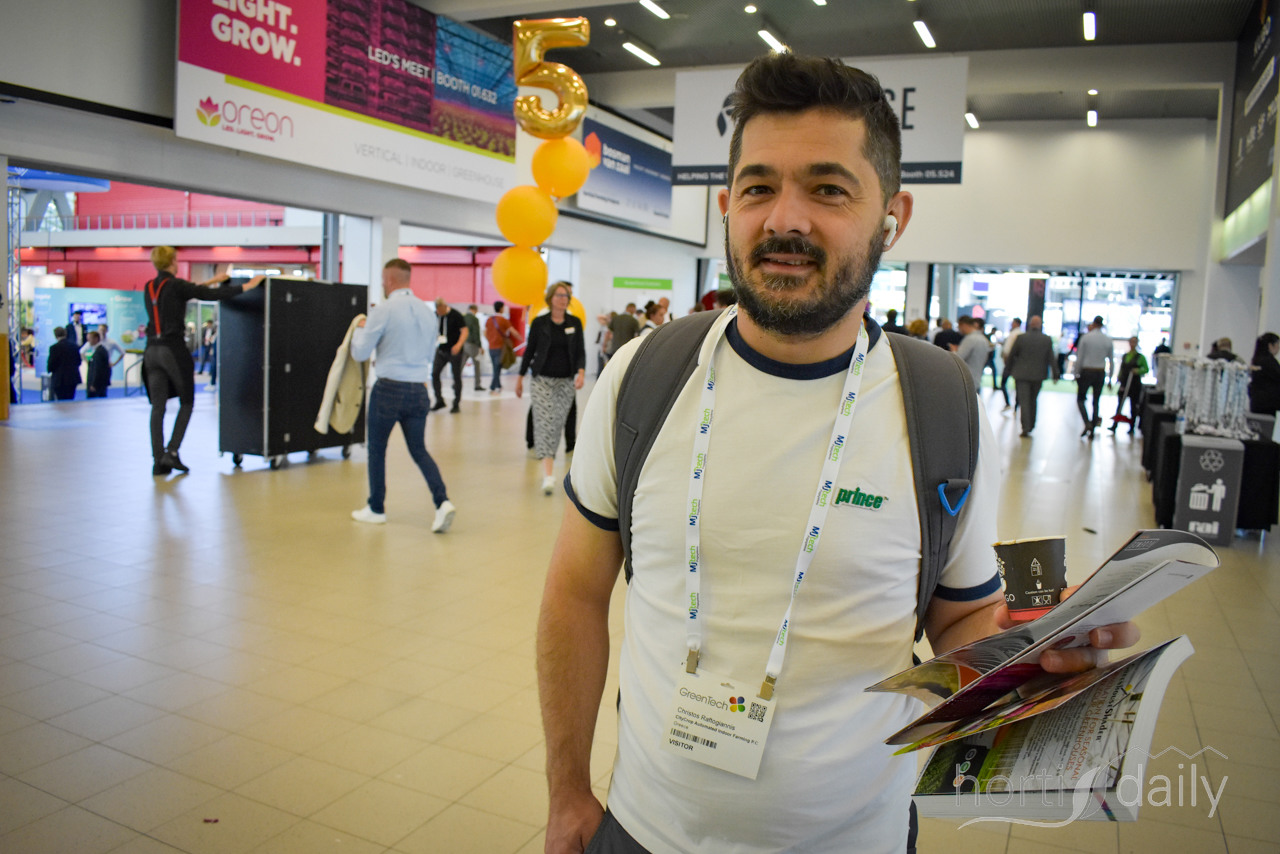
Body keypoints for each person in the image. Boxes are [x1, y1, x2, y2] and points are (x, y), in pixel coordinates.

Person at [536, 54, 1135, 854]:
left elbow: (959, 618)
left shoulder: (941, 404)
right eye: (758, 187)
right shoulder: (644, 375)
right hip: (645, 830)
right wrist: (567, 791)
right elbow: (575, 594)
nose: (785, 219)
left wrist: (1032, 650)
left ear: (893, 216)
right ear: (727, 205)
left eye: (827, 189)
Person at [349, 258, 455, 532]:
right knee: (419, 449)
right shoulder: (427, 312)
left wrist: (358, 331)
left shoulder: (383, 311)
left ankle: (376, 508)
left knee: (377, 449)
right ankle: (442, 501)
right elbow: (429, 354)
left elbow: (360, 353)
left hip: (388, 389)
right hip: (418, 389)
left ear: (389, 280)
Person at [142, 246, 263, 476]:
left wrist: (212, 281)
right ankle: (173, 451)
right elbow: (208, 295)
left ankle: (158, 460)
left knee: (158, 407)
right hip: (172, 350)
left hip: (151, 352)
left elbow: (188, 291)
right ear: (172, 261)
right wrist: (247, 286)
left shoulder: (150, 287)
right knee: (187, 402)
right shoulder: (176, 285)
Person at [516, 281, 585, 495]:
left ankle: (549, 465)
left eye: (566, 296)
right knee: (545, 422)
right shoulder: (540, 323)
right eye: (559, 295)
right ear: (551, 298)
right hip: (542, 380)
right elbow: (530, 351)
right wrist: (520, 377)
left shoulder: (574, 323)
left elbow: (580, 350)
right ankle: (548, 474)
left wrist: (581, 372)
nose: (563, 299)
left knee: (556, 423)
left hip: (565, 381)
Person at [1005, 316, 1058, 437]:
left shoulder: (1021, 338)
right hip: (1038, 375)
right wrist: (1056, 373)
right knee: (1033, 400)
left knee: (1024, 401)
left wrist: (1008, 369)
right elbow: (1051, 358)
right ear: (1040, 325)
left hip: (1021, 374)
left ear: (1030, 324)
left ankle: (1025, 426)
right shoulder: (1046, 339)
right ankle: (1031, 424)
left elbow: (1012, 355)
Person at [1074, 315, 1114, 439]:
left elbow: (1080, 357)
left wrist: (1076, 373)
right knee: (1096, 401)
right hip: (1100, 372)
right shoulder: (1107, 340)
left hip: (1087, 371)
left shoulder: (1086, 338)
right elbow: (1111, 361)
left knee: (1081, 399)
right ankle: (1092, 428)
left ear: (1094, 323)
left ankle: (1087, 423)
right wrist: (1110, 378)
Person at [431, 298, 468, 413]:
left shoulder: (456, 315)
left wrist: (459, 345)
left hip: (454, 350)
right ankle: (439, 400)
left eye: (440, 310)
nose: (439, 312)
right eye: (437, 310)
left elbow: (465, 331)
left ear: (444, 306)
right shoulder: (436, 315)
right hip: (442, 349)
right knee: (435, 373)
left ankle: (456, 403)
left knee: (456, 376)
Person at [1109, 336, 1148, 434]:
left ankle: (1132, 427)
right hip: (1124, 382)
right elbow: (1122, 369)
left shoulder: (1140, 357)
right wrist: (1118, 378)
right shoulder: (1125, 356)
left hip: (1134, 384)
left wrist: (1137, 371)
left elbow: (1146, 369)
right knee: (1120, 404)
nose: (1132, 344)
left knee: (1133, 405)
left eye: (1134, 342)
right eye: (1131, 342)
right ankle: (1115, 425)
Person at [484, 300, 520, 393]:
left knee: (496, 366)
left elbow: (485, 332)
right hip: (500, 347)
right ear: (501, 308)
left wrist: (490, 340)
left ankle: (498, 385)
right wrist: (520, 338)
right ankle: (493, 386)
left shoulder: (489, 320)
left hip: (491, 347)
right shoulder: (503, 320)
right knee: (497, 367)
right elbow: (512, 331)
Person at [955, 315, 991, 389]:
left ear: (963, 325)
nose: (959, 329)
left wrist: (953, 351)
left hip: (967, 380)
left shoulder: (970, 339)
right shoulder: (983, 339)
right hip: (977, 378)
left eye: (959, 326)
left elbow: (958, 357)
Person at [46, 326, 81, 401]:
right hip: (72, 378)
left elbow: (51, 364)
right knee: (70, 398)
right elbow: (78, 361)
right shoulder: (74, 346)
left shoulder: (54, 348)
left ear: (55, 335)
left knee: (61, 400)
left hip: (59, 379)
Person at [1250, 332, 1280, 417]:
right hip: (1270, 404)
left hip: (1257, 402)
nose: (1279, 347)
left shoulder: (1256, 360)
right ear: (1270, 345)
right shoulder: (1270, 362)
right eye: (1278, 344)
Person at [999, 317, 1023, 410]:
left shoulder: (1018, 334)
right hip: (1010, 361)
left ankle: (1014, 405)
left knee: (1014, 384)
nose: (1011, 324)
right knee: (1007, 383)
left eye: (1013, 323)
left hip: (1012, 361)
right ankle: (1011, 404)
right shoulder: (1013, 333)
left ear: (1017, 323)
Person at [463, 304, 485, 391]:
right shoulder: (474, 319)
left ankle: (455, 382)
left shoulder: (463, 317)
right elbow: (476, 333)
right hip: (472, 345)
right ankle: (477, 384)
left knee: (460, 365)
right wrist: (479, 346)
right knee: (477, 365)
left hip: (464, 344)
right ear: (474, 309)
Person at [84, 331, 111, 398]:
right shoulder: (98, 350)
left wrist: (94, 384)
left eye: (89, 339)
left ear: (96, 339)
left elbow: (98, 369)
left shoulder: (99, 352)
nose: (88, 341)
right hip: (99, 383)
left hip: (97, 385)